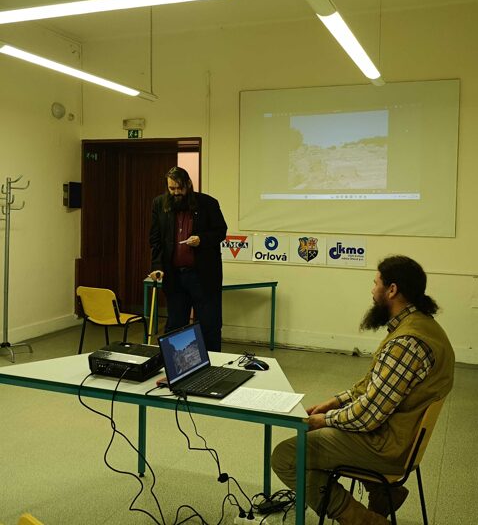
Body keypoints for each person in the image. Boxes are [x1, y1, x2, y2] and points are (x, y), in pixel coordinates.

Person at [272, 255, 455, 525]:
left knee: (286, 456)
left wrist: (323, 420)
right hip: (397, 435)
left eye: (375, 283)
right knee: (324, 429)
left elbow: (367, 416)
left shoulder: (406, 342)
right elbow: (374, 385)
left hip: (386, 447)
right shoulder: (421, 324)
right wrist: (335, 402)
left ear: (392, 290)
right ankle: (384, 493)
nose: (372, 290)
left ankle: (362, 520)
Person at [149, 166, 227, 351]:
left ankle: (212, 364)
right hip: (174, 277)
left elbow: (220, 231)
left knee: (209, 326)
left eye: (180, 188)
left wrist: (202, 239)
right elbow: (155, 239)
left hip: (203, 277)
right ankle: (177, 365)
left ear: (189, 184)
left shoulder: (208, 203)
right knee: (175, 327)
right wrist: (157, 266)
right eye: (172, 188)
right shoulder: (159, 204)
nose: (176, 192)